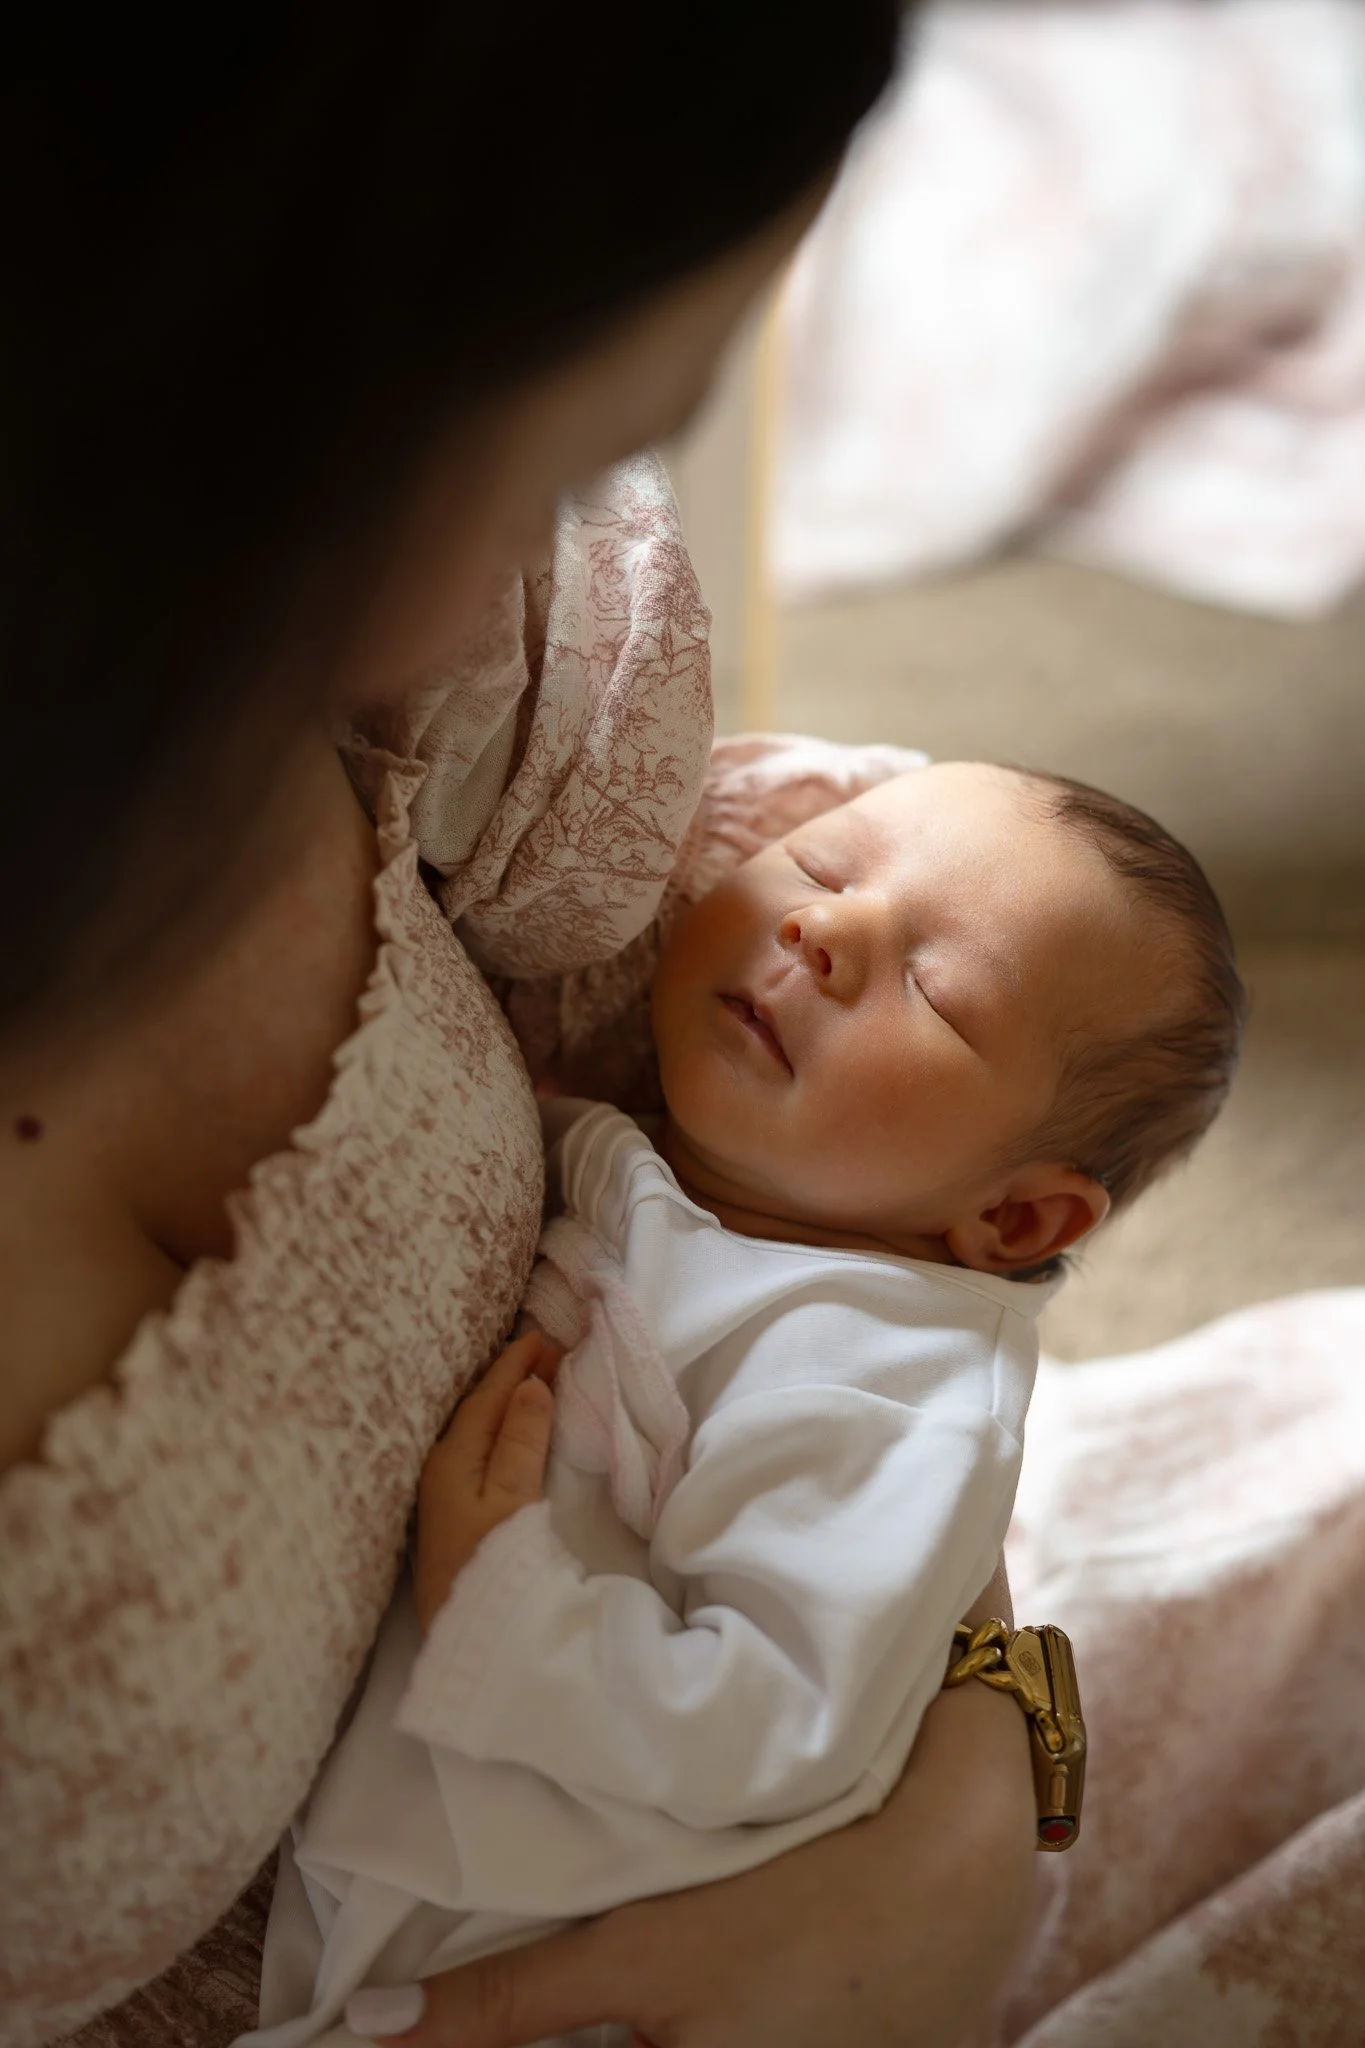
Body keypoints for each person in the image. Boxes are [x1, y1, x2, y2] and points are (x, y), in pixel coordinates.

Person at [0, 11, 1058, 2048]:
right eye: (540, 451)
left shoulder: (413, 696)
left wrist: (983, 1779)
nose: (556, 551)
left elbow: (874, 1300)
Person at [245, 762, 1244, 2046]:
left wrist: (496, 1592)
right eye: (824, 866)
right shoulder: (674, 1185)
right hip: (425, 1904)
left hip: (623, 1964)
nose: (822, 930)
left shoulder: (886, 1385)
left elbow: (779, 1720)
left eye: (935, 989)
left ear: (1012, 1217)